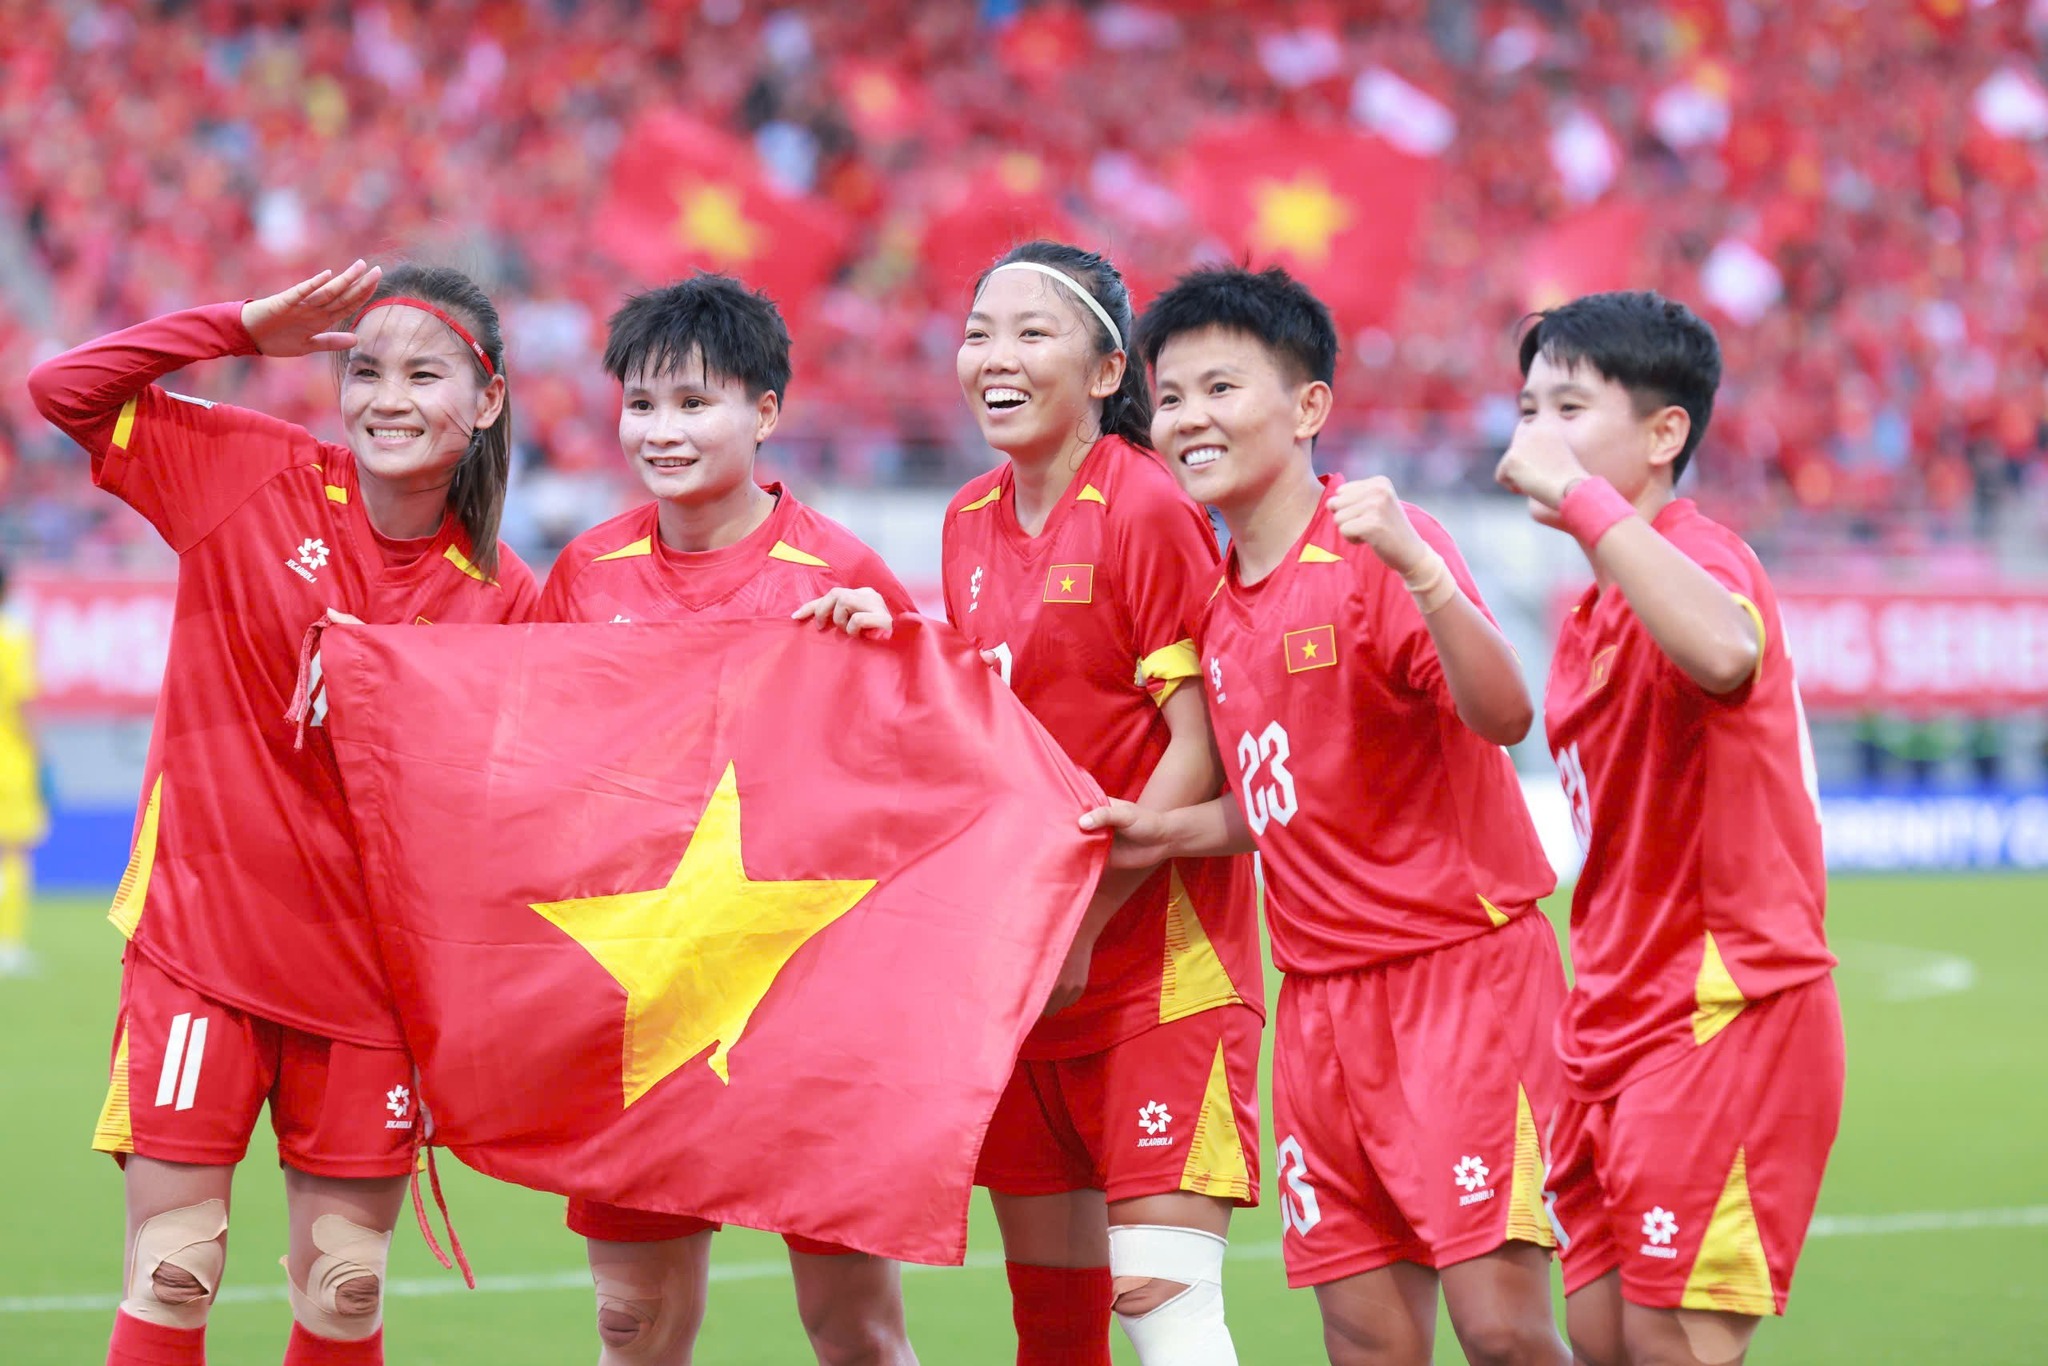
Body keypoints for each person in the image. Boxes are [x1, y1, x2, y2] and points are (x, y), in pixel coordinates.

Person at [28, 260, 540, 1366]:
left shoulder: (509, 598)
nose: (385, 398)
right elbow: (61, 389)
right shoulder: (249, 474)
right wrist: (238, 326)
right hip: (203, 947)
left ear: (487, 398)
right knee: (176, 1262)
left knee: (346, 1289)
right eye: (364, 371)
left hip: (371, 991)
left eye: (422, 373)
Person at [1082, 265, 1572, 1366]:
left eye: (1220, 386)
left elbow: (1502, 716)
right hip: (1316, 1012)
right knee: (1362, 1338)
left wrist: (1421, 569)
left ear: (1307, 407)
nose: (1189, 416)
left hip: (1459, 980)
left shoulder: (1375, 548)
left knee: (1499, 1330)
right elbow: (1286, 806)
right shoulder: (1214, 606)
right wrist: (1164, 829)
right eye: (1168, 396)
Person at [813, 240, 1264, 1366]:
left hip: (1158, 967)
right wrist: (898, 647)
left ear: (1107, 373)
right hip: (1026, 976)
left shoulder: (1146, 506)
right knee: (1052, 1330)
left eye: (1030, 332)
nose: (994, 355)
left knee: (1166, 1309)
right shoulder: (967, 518)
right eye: (977, 332)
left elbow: (1199, 748)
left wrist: (1088, 919)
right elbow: (998, 717)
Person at [541, 274, 919, 1366]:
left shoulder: (839, 571)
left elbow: (932, 754)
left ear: (763, 411)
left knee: (852, 1329)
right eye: (641, 405)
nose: (661, 431)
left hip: (814, 1003)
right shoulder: (586, 572)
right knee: (635, 1326)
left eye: (693, 403)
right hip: (641, 990)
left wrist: (895, 653)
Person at [1494, 291, 1843, 1366]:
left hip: (1718, 1013)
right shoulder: (1592, 609)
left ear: (1662, 434)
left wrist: (1590, 503)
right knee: (1598, 1336)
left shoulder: (1700, 558)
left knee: (1668, 1343)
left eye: (1566, 406)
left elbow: (1724, 653)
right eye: (1524, 406)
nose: (1531, 432)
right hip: (1608, 1026)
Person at [0, 560, 47, 977]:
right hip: (8, 761)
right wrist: (41, 753)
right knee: (13, 851)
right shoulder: (12, 638)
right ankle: (7, 944)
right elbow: (21, 704)